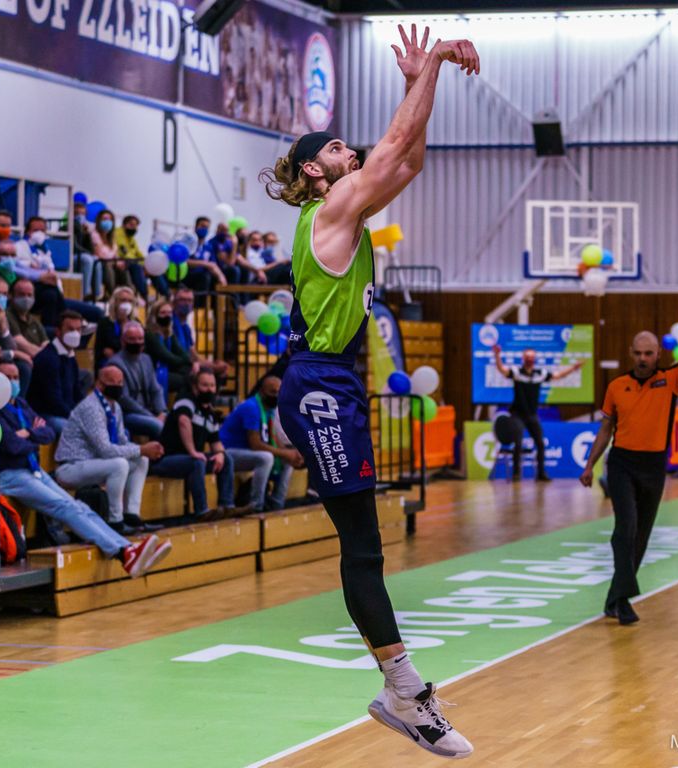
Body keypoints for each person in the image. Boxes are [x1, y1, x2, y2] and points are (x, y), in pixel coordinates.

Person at [266, 24, 479, 759]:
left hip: (331, 382)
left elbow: (408, 159)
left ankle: (402, 689)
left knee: (367, 545)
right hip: (319, 385)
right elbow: (392, 147)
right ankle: (404, 692)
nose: (348, 152)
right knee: (361, 545)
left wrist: (424, 81)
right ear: (313, 170)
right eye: (334, 148)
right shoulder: (328, 211)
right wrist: (435, 62)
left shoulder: (344, 209)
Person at [578, 287, 678, 626]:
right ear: (630, 354)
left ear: (658, 353)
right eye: (638, 353)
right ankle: (625, 600)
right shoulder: (617, 387)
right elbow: (605, 429)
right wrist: (589, 465)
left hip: (653, 467)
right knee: (626, 527)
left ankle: (614, 598)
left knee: (641, 536)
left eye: (649, 353)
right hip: (622, 463)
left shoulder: (670, 380)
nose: (643, 358)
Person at [0, 362, 171, 578]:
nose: (12, 382)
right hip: (11, 474)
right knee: (67, 507)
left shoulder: (21, 403)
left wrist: (28, 433)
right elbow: (11, 445)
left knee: (80, 507)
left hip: (33, 469)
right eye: (7, 377)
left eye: (15, 376)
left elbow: (48, 433)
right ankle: (122, 552)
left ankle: (128, 548)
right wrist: (33, 435)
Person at [55, 365, 165, 535]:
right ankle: (115, 521)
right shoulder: (91, 407)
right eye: (113, 382)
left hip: (94, 464)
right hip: (71, 466)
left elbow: (122, 441)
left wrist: (143, 451)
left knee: (141, 460)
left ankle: (131, 515)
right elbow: (105, 450)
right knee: (120, 464)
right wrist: (141, 448)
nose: (118, 386)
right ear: (99, 384)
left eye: (120, 382)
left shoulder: (115, 407)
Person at [149, 369, 249, 521]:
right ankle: (202, 511)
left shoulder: (210, 414)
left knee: (227, 459)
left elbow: (216, 442)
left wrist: (220, 454)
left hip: (190, 460)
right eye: (205, 385)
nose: (209, 389)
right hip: (165, 459)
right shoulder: (185, 400)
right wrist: (192, 451)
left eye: (212, 385)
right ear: (195, 387)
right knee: (197, 462)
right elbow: (183, 422)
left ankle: (227, 506)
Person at [491, 345, 585, 482]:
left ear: (534, 359)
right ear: (523, 358)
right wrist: (497, 355)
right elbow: (502, 370)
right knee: (518, 442)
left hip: (532, 415)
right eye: (527, 357)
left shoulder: (540, 374)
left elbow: (558, 376)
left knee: (540, 443)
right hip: (517, 414)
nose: (530, 359)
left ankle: (541, 474)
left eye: (532, 357)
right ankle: (516, 474)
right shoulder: (517, 372)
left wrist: (573, 368)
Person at [220, 370, 305, 511]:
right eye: (273, 392)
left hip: (246, 452)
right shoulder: (251, 407)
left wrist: (291, 454)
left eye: (279, 392)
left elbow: (272, 437)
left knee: (288, 460)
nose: (276, 396)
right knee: (266, 458)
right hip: (227, 452)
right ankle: (256, 505)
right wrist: (285, 453)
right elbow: (255, 444)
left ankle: (277, 504)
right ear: (262, 391)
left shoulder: (268, 409)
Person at [20, 216, 104, 331]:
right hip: (36, 296)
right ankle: (57, 331)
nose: (39, 233)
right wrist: (40, 276)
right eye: (35, 230)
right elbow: (20, 271)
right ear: (27, 232)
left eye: (42, 230)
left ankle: (76, 329)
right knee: (50, 294)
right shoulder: (19, 247)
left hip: (59, 298)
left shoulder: (45, 250)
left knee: (98, 313)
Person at [28, 311, 87, 435]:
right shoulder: (48, 359)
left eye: (78, 330)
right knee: (78, 431)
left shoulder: (70, 356)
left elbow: (76, 392)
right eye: (70, 329)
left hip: (63, 412)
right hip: (45, 414)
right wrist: (77, 417)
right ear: (58, 331)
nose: (75, 334)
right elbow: (53, 402)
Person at [107, 321, 168, 440]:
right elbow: (124, 400)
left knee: (177, 420)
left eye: (140, 339)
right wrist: (151, 416)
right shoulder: (115, 364)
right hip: (127, 414)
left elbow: (156, 389)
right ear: (123, 341)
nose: (137, 342)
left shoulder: (146, 359)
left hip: (149, 411)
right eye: (132, 339)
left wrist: (162, 412)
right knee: (157, 426)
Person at [171, 287, 231, 381]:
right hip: (176, 366)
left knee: (218, 372)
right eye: (182, 300)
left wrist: (213, 364)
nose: (186, 303)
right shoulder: (171, 323)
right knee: (208, 374)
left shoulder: (186, 327)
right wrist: (213, 367)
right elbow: (183, 357)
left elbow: (194, 354)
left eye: (190, 300)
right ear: (174, 303)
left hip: (187, 364)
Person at [145, 299, 194, 398]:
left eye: (169, 313)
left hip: (168, 369)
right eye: (163, 313)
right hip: (154, 373)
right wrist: (187, 361)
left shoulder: (169, 333)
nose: (167, 316)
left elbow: (182, 353)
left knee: (194, 373)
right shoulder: (150, 335)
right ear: (155, 316)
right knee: (188, 380)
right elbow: (168, 358)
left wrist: (190, 363)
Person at [91, 208, 132, 297]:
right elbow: (101, 254)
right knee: (108, 267)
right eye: (105, 219)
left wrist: (118, 261)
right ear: (99, 221)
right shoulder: (94, 235)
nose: (108, 222)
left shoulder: (111, 238)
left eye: (110, 219)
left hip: (110, 263)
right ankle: (113, 295)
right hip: (100, 263)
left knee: (123, 269)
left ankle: (129, 294)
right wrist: (114, 261)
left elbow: (115, 254)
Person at [95, 287, 138, 369]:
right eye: (123, 300)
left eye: (130, 301)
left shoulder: (136, 323)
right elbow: (100, 351)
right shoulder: (105, 323)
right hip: (109, 366)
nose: (127, 304)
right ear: (115, 302)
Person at [6, 278, 49, 359]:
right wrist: (44, 357)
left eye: (29, 295)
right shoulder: (7, 315)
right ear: (11, 296)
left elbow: (46, 343)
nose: (26, 299)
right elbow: (21, 344)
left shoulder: (34, 320)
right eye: (21, 294)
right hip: (20, 359)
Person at [185, 216, 229, 291]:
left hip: (204, 277)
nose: (204, 229)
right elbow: (184, 261)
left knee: (215, 277)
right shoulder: (187, 243)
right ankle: (200, 299)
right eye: (202, 226)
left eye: (207, 227)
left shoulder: (208, 247)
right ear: (195, 227)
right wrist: (204, 264)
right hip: (189, 275)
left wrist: (221, 276)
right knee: (205, 276)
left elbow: (213, 265)